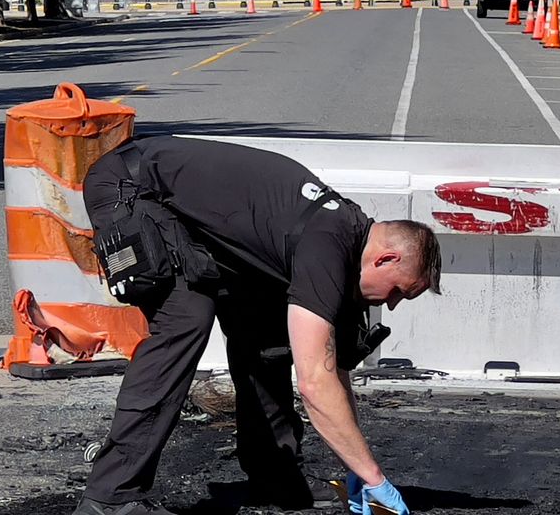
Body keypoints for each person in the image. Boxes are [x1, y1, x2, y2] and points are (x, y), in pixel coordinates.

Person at [75, 137, 442, 515]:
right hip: (130, 187)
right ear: (386, 258)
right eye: (400, 291)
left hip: (185, 212)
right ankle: (110, 496)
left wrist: (358, 468)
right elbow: (315, 381)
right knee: (185, 320)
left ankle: (274, 476)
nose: (392, 304)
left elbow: (336, 370)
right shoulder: (328, 246)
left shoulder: (345, 240)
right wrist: (376, 479)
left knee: (266, 332)